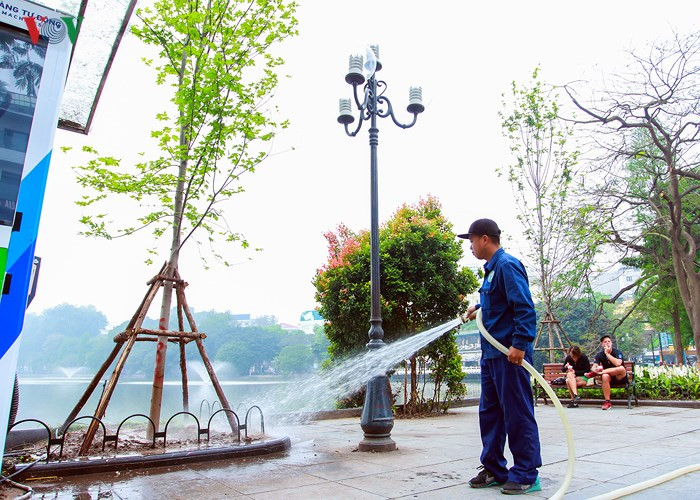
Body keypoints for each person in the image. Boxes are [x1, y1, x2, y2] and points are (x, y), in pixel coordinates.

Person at [460, 218, 542, 495]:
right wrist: (478, 306)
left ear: (485, 239)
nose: (469, 246)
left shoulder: (507, 265)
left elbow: (524, 308)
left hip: (510, 354)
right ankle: (495, 468)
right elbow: (499, 303)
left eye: (471, 240)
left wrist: (519, 344)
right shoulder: (492, 271)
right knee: (490, 413)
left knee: (517, 413)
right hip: (491, 355)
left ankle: (527, 473)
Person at [585, 335, 627, 410]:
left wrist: (607, 354)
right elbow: (595, 365)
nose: (607, 343)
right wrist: (594, 369)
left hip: (620, 377)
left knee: (621, 368)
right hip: (608, 378)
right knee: (605, 376)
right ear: (602, 344)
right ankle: (607, 402)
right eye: (605, 342)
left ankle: (601, 373)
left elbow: (618, 363)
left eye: (609, 341)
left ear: (611, 343)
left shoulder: (617, 352)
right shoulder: (599, 355)